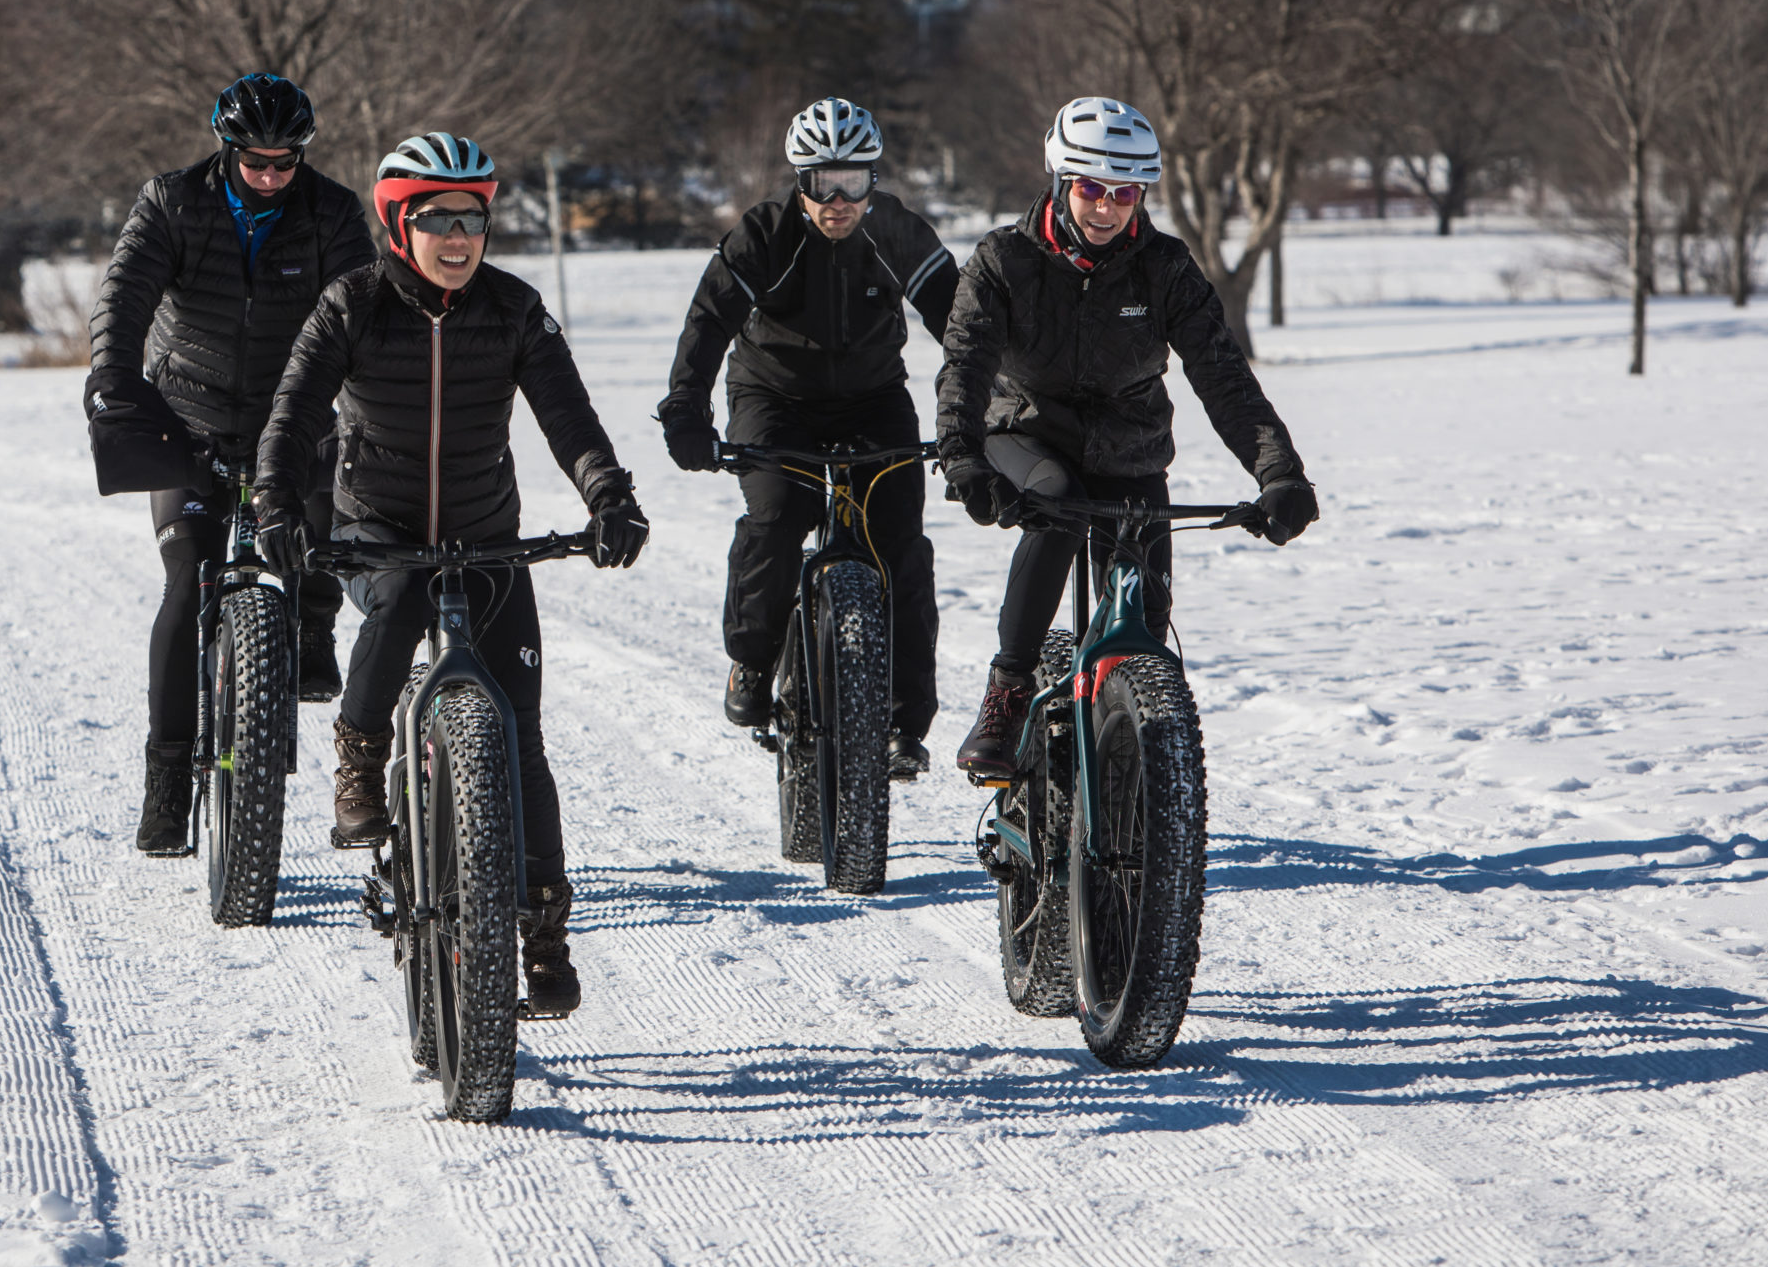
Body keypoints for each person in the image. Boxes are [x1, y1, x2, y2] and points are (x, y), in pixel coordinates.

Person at [254, 132, 649, 1017]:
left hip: (486, 540)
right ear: (399, 223)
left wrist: (608, 495)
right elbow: (292, 412)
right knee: (395, 604)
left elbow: (568, 415)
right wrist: (275, 503)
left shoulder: (512, 309)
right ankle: (359, 757)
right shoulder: (350, 305)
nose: (460, 235)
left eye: (473, 216)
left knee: (521, 739)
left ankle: (543, 929)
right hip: (379, 533)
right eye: (436, 217)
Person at [935, 96, 1319, 783]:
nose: (1107, 209)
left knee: (1145, 625)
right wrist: (962, 455)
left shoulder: (1164, 267)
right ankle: (1010, 688)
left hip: (1129, 450)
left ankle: (1134, 777)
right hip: (1026, 437)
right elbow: (964, 365)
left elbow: (1224, 378)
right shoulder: (1003, 260)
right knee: (1056, 501)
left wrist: (1279, 472)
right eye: (1091, 189)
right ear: (1060, 180)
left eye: (1126, 192)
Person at [85, 74, 374, 855]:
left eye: (287, 162)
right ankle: (169, 780)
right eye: (257, 162)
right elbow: (125, 296)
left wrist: (367, 407)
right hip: (192, 421)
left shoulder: (332, 213)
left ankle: (314, 622)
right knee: (187, 583)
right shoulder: (172, 202)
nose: (273, 176)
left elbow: (364, 311)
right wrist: (113, 378)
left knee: (321, 531)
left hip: (293, 422)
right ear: (228, 147)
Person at [658, 97, 959, 780]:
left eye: (856, 182)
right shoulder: (763, 235)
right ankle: (755, 657)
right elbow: (708, 324)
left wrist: (986, 405)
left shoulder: (898, 232)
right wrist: (685, 411)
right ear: (802, 182)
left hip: (873, 399)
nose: (841, 200)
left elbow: (962, 323)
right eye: (824, 183)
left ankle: (906, 723)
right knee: (777, 513)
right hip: (775, 397)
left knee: (900, 545)